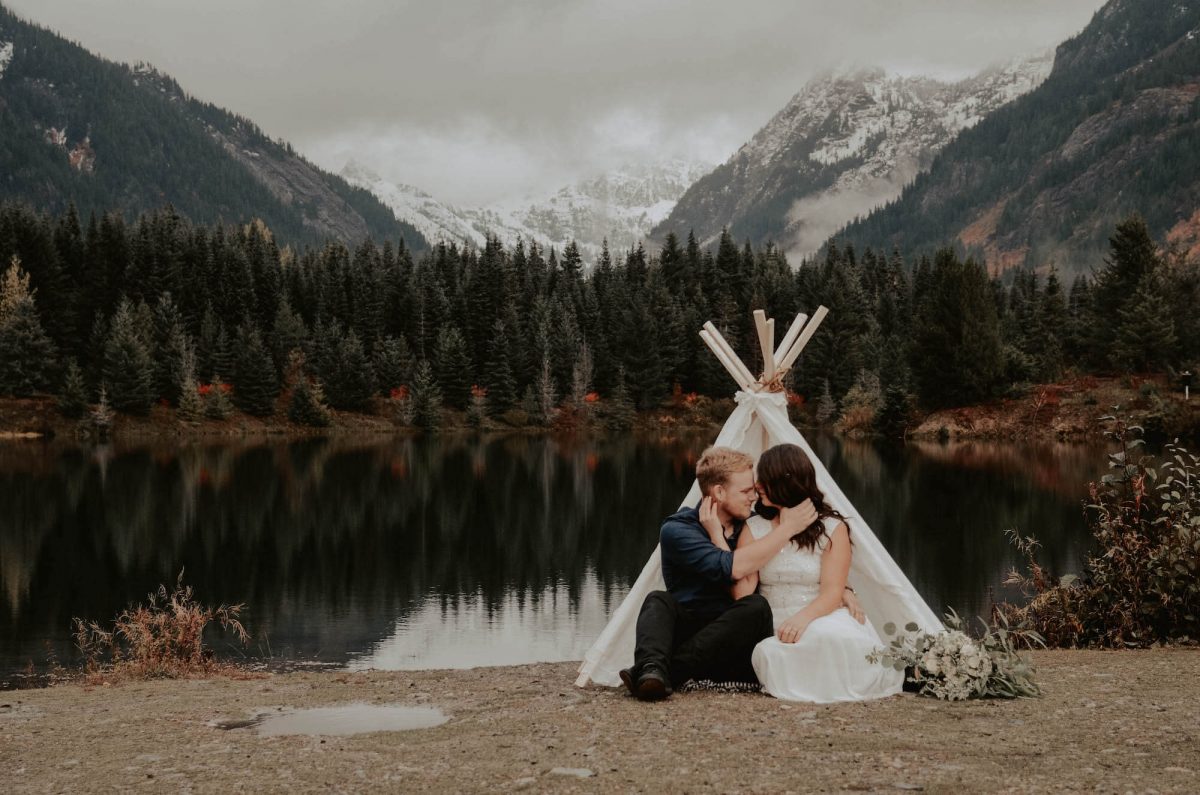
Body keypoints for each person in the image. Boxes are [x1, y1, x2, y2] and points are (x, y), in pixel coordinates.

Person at [621, 446, 862, 701]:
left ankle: (662, 673)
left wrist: (844, 589)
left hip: (738, 634)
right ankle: (651, 669)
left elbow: (786, 568)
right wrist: (785, 528)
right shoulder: (679, 530)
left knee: (754, 607)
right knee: (657, 600)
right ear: (719, 492)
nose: (754, 496)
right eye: (746, 491)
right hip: (694, 630)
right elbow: (731, 567)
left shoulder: (749, 523)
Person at [742, 443, 903, 703]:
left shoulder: (831, 528)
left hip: (819, 613)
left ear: (785, 481)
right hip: (773, 619)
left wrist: (803, 619)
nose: (757, 484)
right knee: (775, 652)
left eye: (764, 478)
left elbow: (832, 592)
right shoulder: (754, 527)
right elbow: (742, 591)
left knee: (831, 638)